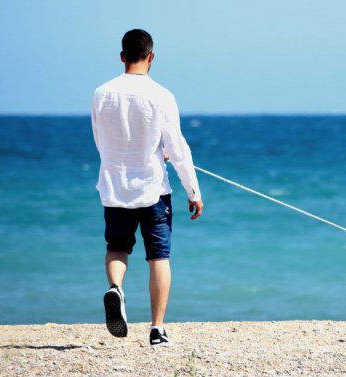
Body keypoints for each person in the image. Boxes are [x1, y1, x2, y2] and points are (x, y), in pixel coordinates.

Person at [91, 29, 203, 348]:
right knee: (158, 257)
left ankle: (116, 287)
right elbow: (177, 148)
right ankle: (157, 329)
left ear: (122, 56)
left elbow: (101, 139)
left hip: (114, 185)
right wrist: (193, 192)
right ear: (151, 56)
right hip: (153, 189)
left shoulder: (101, 93)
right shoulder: (161, 95)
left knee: (117, 247)